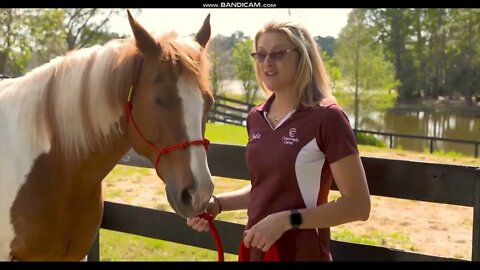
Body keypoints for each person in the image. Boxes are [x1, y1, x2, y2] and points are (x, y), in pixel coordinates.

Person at [187, 20, 371, 261]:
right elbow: (265, 189)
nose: (267, 63)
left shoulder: (327, 117)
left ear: (302, 57)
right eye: (260, 55)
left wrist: (286, 221)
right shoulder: (256, 117)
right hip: (256, 251)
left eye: (278, 54)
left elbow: (358, 205)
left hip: (303, 254)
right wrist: (217, 204)